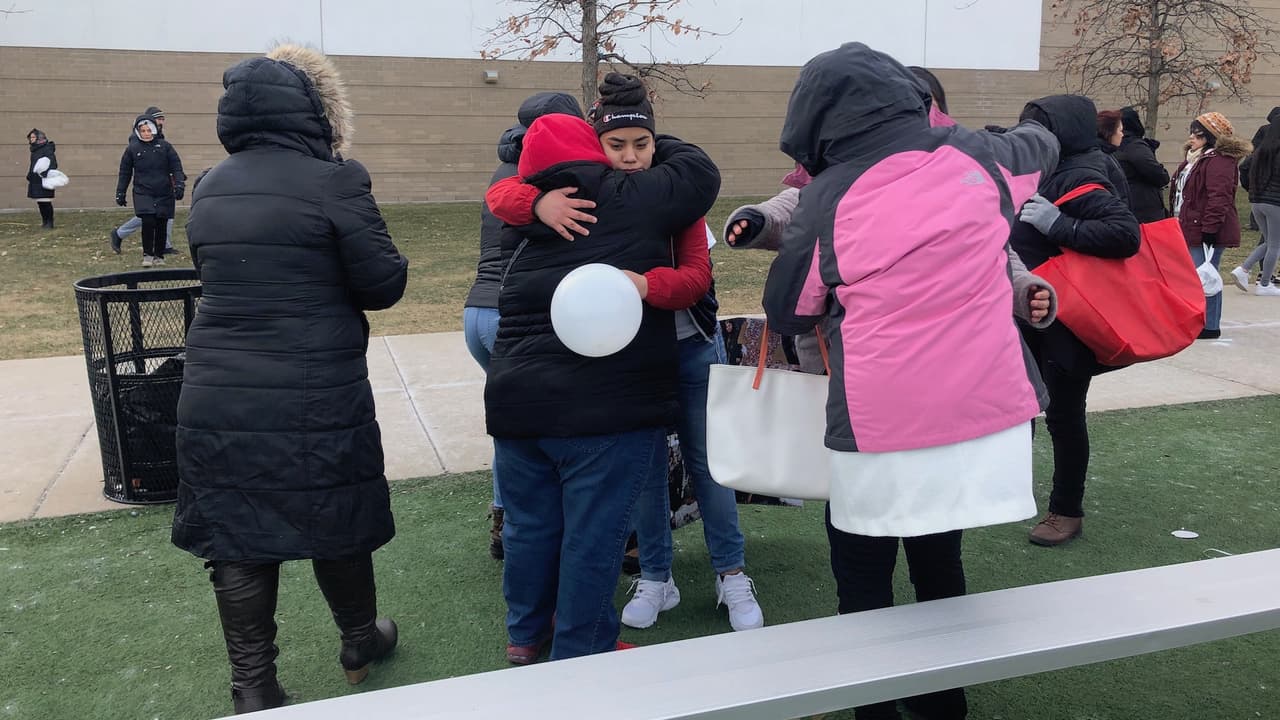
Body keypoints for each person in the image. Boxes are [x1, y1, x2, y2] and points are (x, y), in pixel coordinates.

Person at [762, 43, 1061, 720]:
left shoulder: (830, 195)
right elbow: (1043, 144)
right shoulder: (981, 158)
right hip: (981, 416)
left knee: (862, 572)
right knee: (939, 563)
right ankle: (940, 704)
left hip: (879, 423)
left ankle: (877, 707)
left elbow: (790, 308)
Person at [172, 44, 409, 714]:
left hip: (217, 386)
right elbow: (382, 283)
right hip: (314, 386)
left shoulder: (210, 183)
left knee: (236, 534)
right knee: (334, 510)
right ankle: (360, 641)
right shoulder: (335, 178)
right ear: (312, 110)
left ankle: (253, 688)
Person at [486, 72, 763, 633]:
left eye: (643, 144)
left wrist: (641, 286)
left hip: (688, 351)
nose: (632, 157)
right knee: (647, 472)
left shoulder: (672, 191)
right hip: (629, 365)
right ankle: (657, 576)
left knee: (710, 467)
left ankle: (731, 573)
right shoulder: (586, 192)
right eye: (617, 145)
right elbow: (502, 192)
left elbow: (695, 279)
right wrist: (538, 203)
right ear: (596, 145)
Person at [1011, 95, 1142, 547]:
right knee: (1019, 405)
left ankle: (1066, 509)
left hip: (1070, 318)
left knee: (1063, 415)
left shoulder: (1083, 170)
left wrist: (1056, 224)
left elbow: (1125, 235)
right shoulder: (1051, 166)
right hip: (1035, 310)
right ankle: (1011, 490)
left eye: (1039, 130)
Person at [464, 92, 583, 561]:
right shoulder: (544, 176)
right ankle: (540, 534)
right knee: (551, 434)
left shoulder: (505, 171)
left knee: (513, 431)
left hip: (477, 314)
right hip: (511, 318)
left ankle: (504, 522)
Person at [1170, 112, 1251, 339]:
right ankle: (1197, 320)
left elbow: (1220, 196)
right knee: (1195, 276)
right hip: (1188, 224)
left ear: (1208, 136)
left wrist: (1210, 229)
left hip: (1206, 228)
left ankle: (1210, 325)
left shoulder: (1220, 161)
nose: (1191, 138)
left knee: (1206, 275)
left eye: (1196, 134)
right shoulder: (1195, 158)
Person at [115, 114, 184, 267]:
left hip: (164, 190)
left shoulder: (165, 147)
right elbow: (125, 172)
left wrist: (179, 185)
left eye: (149, 130)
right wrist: (120, 192)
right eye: (143, 130)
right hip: (142, 190)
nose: (146, 133)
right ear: (138, 131)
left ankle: (159, 255)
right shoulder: (132, 149)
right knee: (148, 220)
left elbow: (176, 167)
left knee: (161, 221)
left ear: (154, 130)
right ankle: (147, 254)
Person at [1234, 121, 1280, 296]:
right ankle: (1265, 284)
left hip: (1257, 202)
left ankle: (1243, 269)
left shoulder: (1260, 151)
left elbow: (1244, 169)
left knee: (1269, 242)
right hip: (1275, 203)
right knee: (1276, 245)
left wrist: (1250, 190)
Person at [1113, 107, 1170, 222]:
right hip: (1144, 209)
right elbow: (1157, 174)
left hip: (1127, 206)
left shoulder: (1115, 145)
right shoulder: (1134, 145)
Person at [1095, 109, 1132, 204]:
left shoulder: (1108, 154)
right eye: (1120, 130)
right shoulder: (1101, 159)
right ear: (1109, 132)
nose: (1122, 135)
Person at [25, 129, 57, 229]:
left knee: (45, 201)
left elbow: (52, 163)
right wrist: (30, 174)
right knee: (40, 201)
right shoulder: (34, 150)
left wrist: (44, 173)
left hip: (44, 179)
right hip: (36, 179)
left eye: (33, 137)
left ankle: (49, 222)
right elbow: (33, 165)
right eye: (30, 137)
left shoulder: (47, 148)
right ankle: (44, 221)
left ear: (39, 138)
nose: (31, 139)